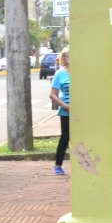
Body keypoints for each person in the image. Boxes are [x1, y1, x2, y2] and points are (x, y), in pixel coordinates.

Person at [50, 46, 70, 175]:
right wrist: (64, 106)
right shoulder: (60, 74)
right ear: (64, 59)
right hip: (66, 110)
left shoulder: (83, 72)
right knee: (65, 137)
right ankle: (58, 164)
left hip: (82, 111)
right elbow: (52, 94)